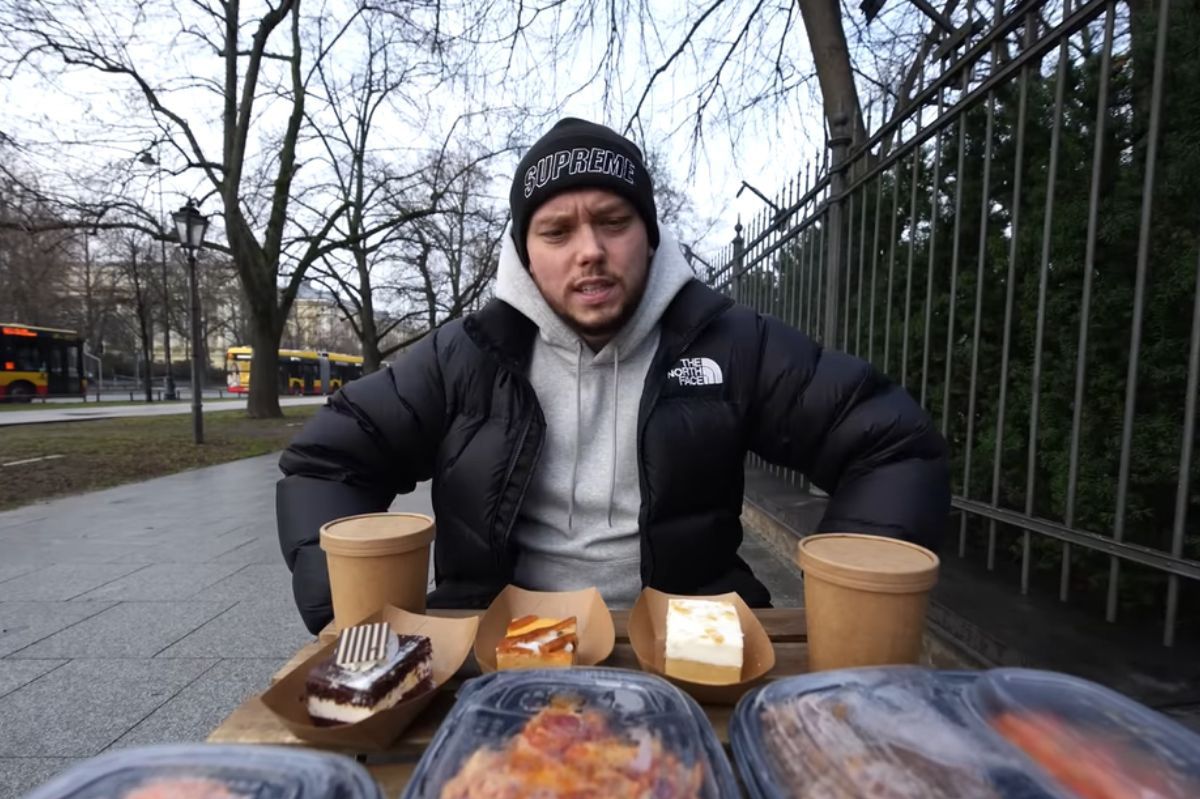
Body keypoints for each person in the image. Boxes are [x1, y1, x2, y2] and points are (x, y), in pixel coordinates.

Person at [277, 117, 950, 634]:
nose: (591, 251)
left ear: (650, 235)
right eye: (557, 231)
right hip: (500, 643)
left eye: (612, 221)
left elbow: (890, 442)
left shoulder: (729, 341)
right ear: (525, 254)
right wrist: (345, 612)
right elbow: (327, 462)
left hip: (691, 646)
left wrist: (858, 590)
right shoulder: (467, 354)